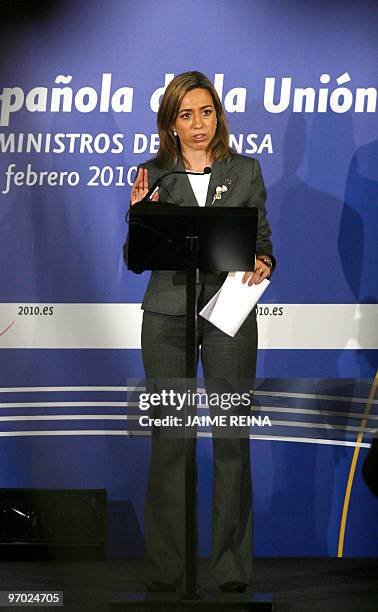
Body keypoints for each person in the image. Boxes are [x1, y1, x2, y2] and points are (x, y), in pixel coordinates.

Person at [128, 71, 275, 594]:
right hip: (167, 320)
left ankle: (232, 571)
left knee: (232, 440)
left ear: (219, 115)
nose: (198, 123)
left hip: (228, 317)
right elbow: (134, 259)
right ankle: (170, 570)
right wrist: (139, 215)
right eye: (185, 114)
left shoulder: (245, 171)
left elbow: (262, 243)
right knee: (171, 441)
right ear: (170, 123)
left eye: (205, 111)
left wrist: (263, 262)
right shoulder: (153, 175)